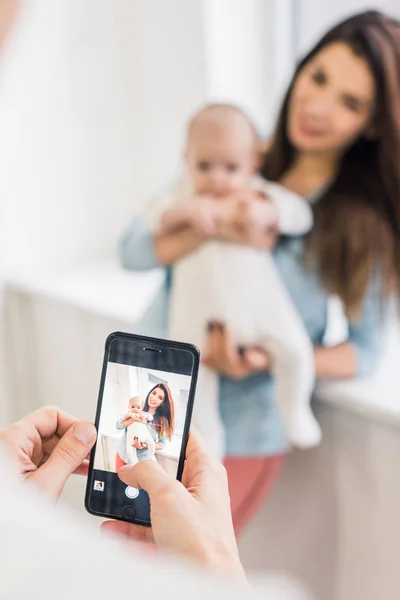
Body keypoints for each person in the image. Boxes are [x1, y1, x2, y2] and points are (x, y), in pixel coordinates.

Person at [119, 9, 400, 533]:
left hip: (243, 431)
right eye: (318, 77)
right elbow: (133, 250)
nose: (318, 105)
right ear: (300, 69)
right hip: (148, 393)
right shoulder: (229, 152)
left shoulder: (360, 226)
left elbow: (364, 352)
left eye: (351, 101)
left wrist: (264, 357)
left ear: (373, 123)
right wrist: (211, 223)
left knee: (176, 568)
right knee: (117, 549)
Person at [142, 103, 321, 457]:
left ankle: (295, 409)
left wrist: (268, 211)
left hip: (260, 306)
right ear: (186, 159)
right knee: (191, 380)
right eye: (204, 166)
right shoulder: (184, 193)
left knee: (296, 351)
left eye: (230, 168)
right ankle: (207, 442)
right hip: (196, 312)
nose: (217, 178)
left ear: (253, 163)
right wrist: (183, 212)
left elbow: (301, 214)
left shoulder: (256, 192)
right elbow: (151, 215)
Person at [0, 406, 311, 599]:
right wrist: (215, 562)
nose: (152, 402)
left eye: (160, 400)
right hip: (126, 462)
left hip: (150, 465)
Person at [116, 384, 174, 469]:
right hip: (121, 454)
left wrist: (145, 445)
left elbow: (162, 444)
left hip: (140, 461)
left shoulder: (161, 420)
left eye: (160, 398)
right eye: (154, 393)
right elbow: (118, 426)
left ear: (163, 403)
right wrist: (133, 418)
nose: (154, 398)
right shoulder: (137, 407)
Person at [123, 396, 156, 464]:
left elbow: (151, 417)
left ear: (142, 408)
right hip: (132, 437)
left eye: (138, 407)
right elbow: (124, 417)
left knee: (152, 443)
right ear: (129, 407)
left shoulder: (143, 413)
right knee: (129, 451)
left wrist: (146, 416)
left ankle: (151, 456)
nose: (135, 409)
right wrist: (130, 415)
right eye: (133, 407)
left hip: (144, 435)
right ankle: (135, 462)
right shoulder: (128, 414)